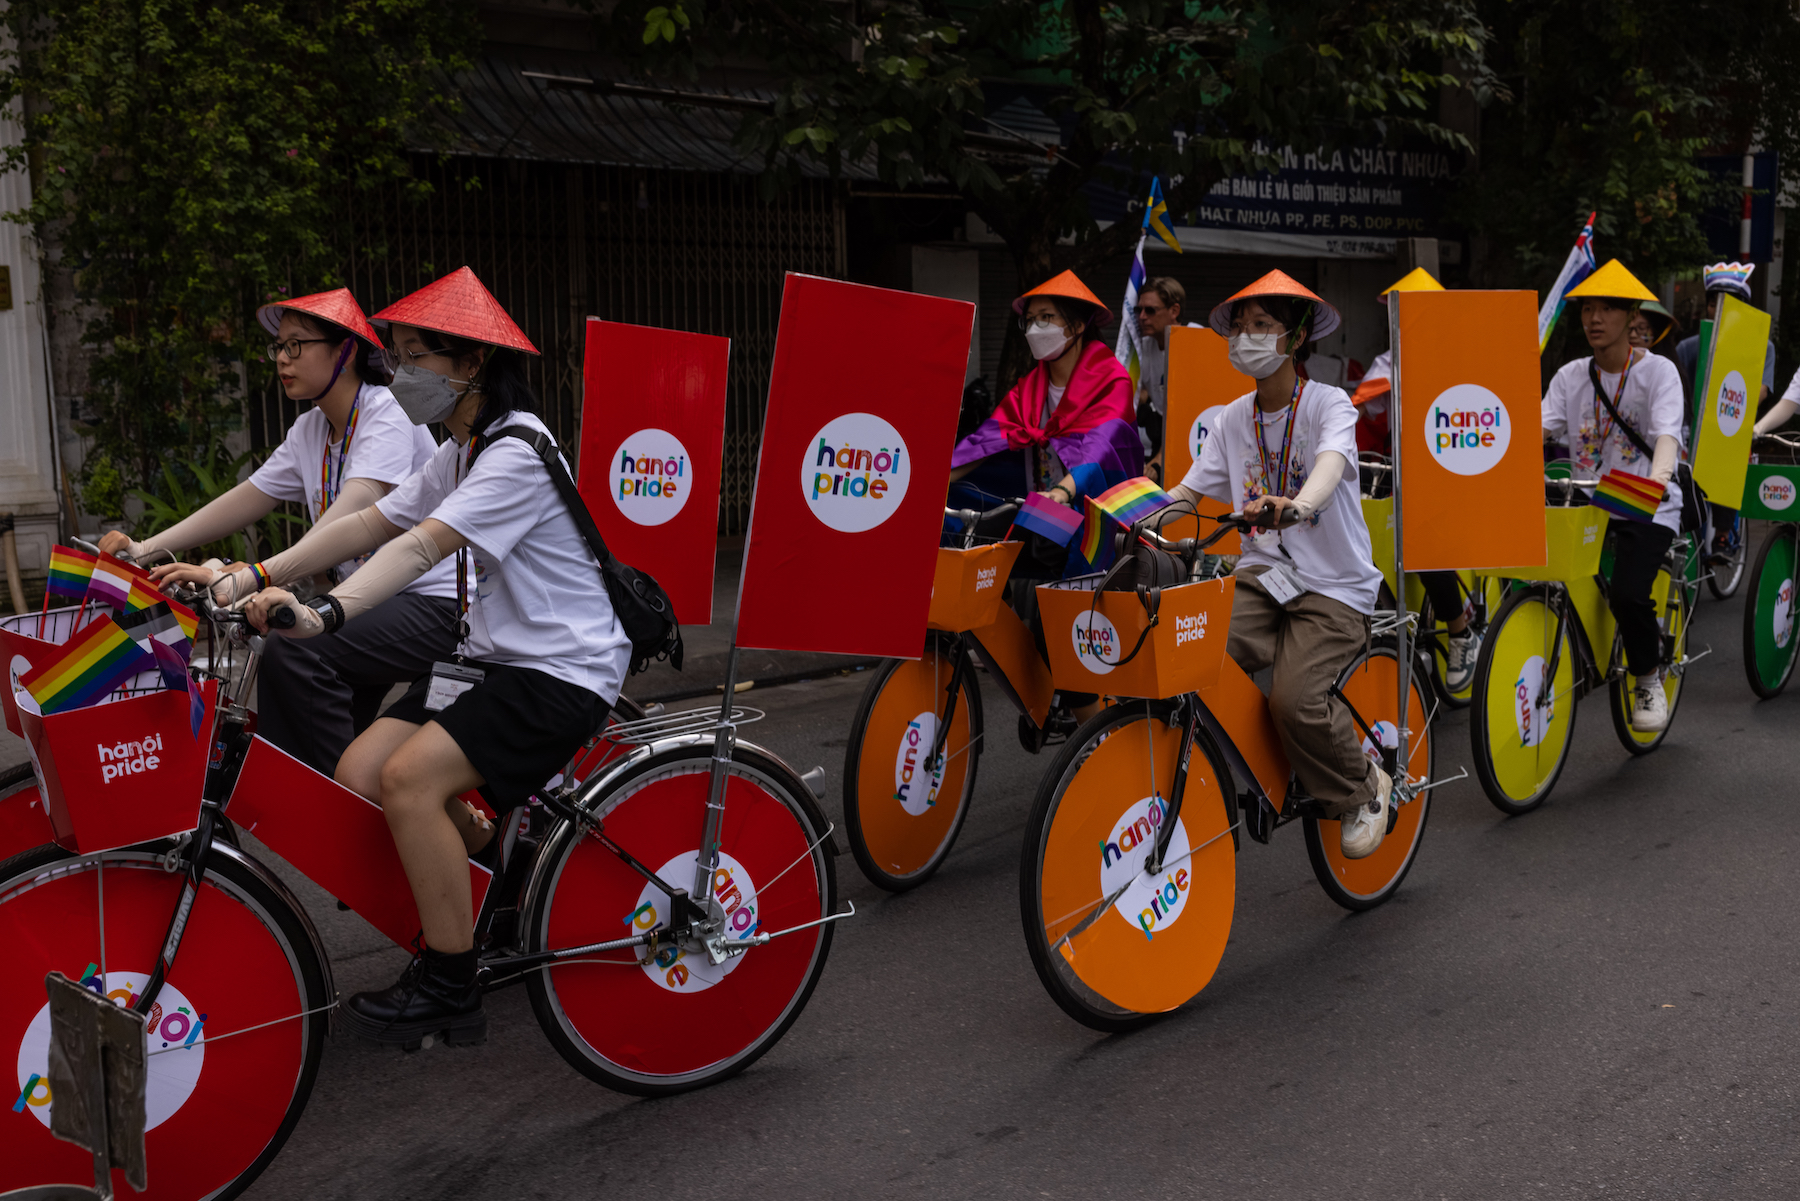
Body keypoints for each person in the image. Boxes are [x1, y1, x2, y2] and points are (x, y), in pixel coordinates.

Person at [241, 267, 629, 1046]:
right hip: (487, 661)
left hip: (558, 669)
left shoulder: (516, 450)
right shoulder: (459, 450)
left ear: (471, 365)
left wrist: (329, 610)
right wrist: (254, 574)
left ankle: (453, 979)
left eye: (419, 356)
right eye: (399, 354)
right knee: (358, 773)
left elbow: (421, 546)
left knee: (409, 781)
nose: (400, 370)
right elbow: (372, 522)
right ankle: (511, 879)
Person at [97, 288, 460, 776]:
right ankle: (346, 814)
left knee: (296, 651)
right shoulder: (311, 428)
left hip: (431, 603)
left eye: (297, 346)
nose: (282, 360)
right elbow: (247, 497)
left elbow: (357, 511)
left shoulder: (385, 412)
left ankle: (333, 819)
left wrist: (257, 576)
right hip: (367, 601)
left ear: (345, 351)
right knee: (330, 726)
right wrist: (147, 547)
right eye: (279, 348)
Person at [1160, 270, 1392, 859]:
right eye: (1239, 327)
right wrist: (1142, 518)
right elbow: (1186, 493)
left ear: (1294, 339)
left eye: (1261, 326)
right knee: (1187, 652)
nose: (1245, 338)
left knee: (1294, 700)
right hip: (1263, 578)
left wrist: (1298, 506)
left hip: (1335, 588)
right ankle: (1248, 769)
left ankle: (1363, 787)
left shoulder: (1328, 402)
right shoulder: (1232, 418)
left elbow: (1332, 464)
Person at [1543, 261, 1685, 732]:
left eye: (1606, 309)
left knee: (1628, 594)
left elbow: (1667, 435)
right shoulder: (1569, 376)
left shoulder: (1659, 372)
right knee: (1539, 575)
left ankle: (1647, 676)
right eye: (1587, 309)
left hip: (1645, 502)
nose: (1594, 319)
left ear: (1630, 317)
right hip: (1588, 501)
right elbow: (1538, 429)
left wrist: (1659, 478)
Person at [1348, 267, 1483, 691]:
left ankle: (1461, 631)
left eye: (1408, 310)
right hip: (1397, 474)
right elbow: (1360, 413)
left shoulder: (1461, 356)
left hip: (1454, 474)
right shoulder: (1386, 363)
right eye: (1395, 311)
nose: (1400, 319)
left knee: (1425, 547)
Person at [1674, 263, 1772, 563]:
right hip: (1692, 430)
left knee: (1728, 463)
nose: (1720, 307)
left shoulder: (1760, 347)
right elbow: (1677, 392)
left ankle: (1724, 534)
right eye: (1714, 301)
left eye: (1729, 301)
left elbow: (1761, 393)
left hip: (1733, 431)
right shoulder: (1688, 347)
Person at [1130, 276, 1201, 480]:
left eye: (1150, 310)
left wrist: (1159, 461)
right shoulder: (1145, 346)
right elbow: (1137, 394)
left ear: (1174, 311)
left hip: (1192, 434)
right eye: (1138, 310)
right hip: (1163, 433)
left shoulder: (1194, 340)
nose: (1142, 317)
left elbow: (1186, 412)